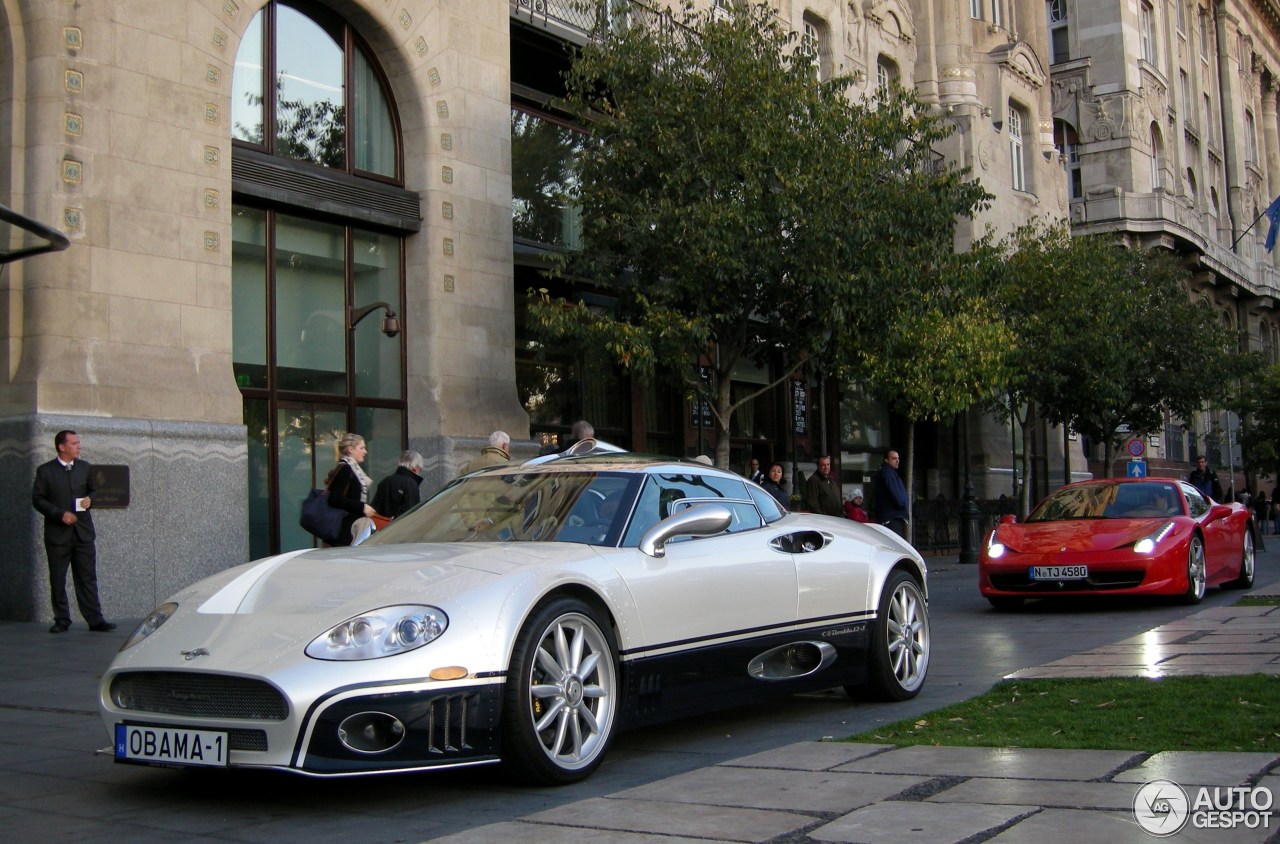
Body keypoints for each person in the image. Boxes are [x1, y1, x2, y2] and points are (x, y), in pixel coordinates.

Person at [32, 430, 115, 633]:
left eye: (78, 443)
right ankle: (62, 619)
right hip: (58, 535)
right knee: (58, 578)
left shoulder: (84, 467)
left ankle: (95, 619)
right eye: (74, 443)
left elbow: (92, 491)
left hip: (83, 533)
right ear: (62, 447)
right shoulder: (45, 471)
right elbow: (38, 499)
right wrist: (59, 514)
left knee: (87, 577)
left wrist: (91, 500)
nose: (78, 446)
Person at [325, 432, 378, 546]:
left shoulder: (352, 469)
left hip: (349, 526)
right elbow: (335, 498)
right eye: (362, 448)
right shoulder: (346, 469)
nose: (365, 452)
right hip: (344, 529)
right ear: (350, 449)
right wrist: (362, 507)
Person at [371, 450, 425, 519]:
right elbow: (410, 512)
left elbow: (374, 509)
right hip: (401, 528)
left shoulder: (385, 482)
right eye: (420, 469)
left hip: (382, 527)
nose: (419, 472)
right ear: (416, 467)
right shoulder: (411, 484)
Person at [873, 450, 909, 540]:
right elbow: (895, 493)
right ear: (886, 460)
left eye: (898, 458)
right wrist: (902, 505)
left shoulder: (889, 472)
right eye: (894, 458)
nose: (897, 461)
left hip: (891, 516)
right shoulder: (888, 473)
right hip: (892, 517)